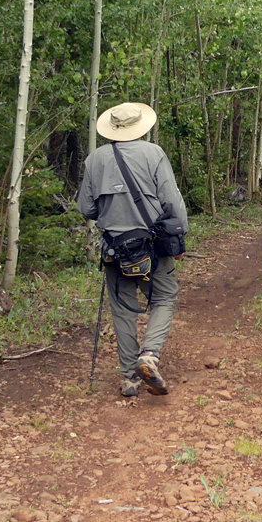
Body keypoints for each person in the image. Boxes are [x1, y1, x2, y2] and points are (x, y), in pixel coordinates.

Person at [77, 102, 187, 397]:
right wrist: (180, 236)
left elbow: (85, 208)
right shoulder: (153, 154)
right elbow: (172, 202)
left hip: (114, 248)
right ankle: (149, 356)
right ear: (141, 126)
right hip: (152, 246)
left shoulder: (95, 160)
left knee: (123, 309)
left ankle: (129, 379)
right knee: (165, 297)